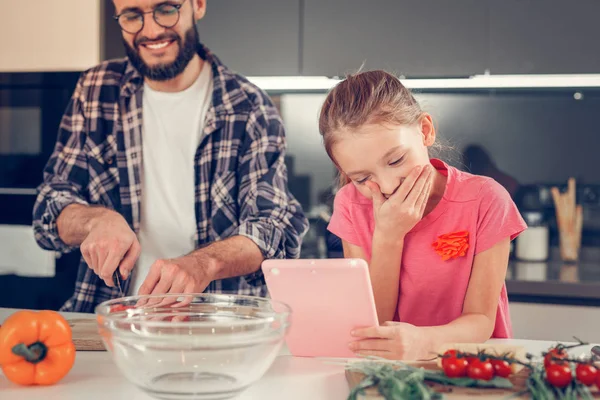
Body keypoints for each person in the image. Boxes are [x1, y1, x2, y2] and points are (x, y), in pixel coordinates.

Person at [32, 0, 308, 312]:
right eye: (132, 15)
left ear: (198, 5)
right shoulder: (95, 90)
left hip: (217, 324)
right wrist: (96, 220)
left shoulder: (249, 106)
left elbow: (273, 229)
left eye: (166, 9)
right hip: (109, 320)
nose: (150, 30)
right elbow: (49, 208)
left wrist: (203, 263)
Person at [319, 71, 527, 360]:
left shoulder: (486, 199)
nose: (389, 187)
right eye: (362, 177)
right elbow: (373, 322)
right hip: (390, 369)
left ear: (425, 130)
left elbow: (480, 320)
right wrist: (388, 237)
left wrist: (424, 340)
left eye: (396, 160)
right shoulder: (350, 205)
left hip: (469, 368)